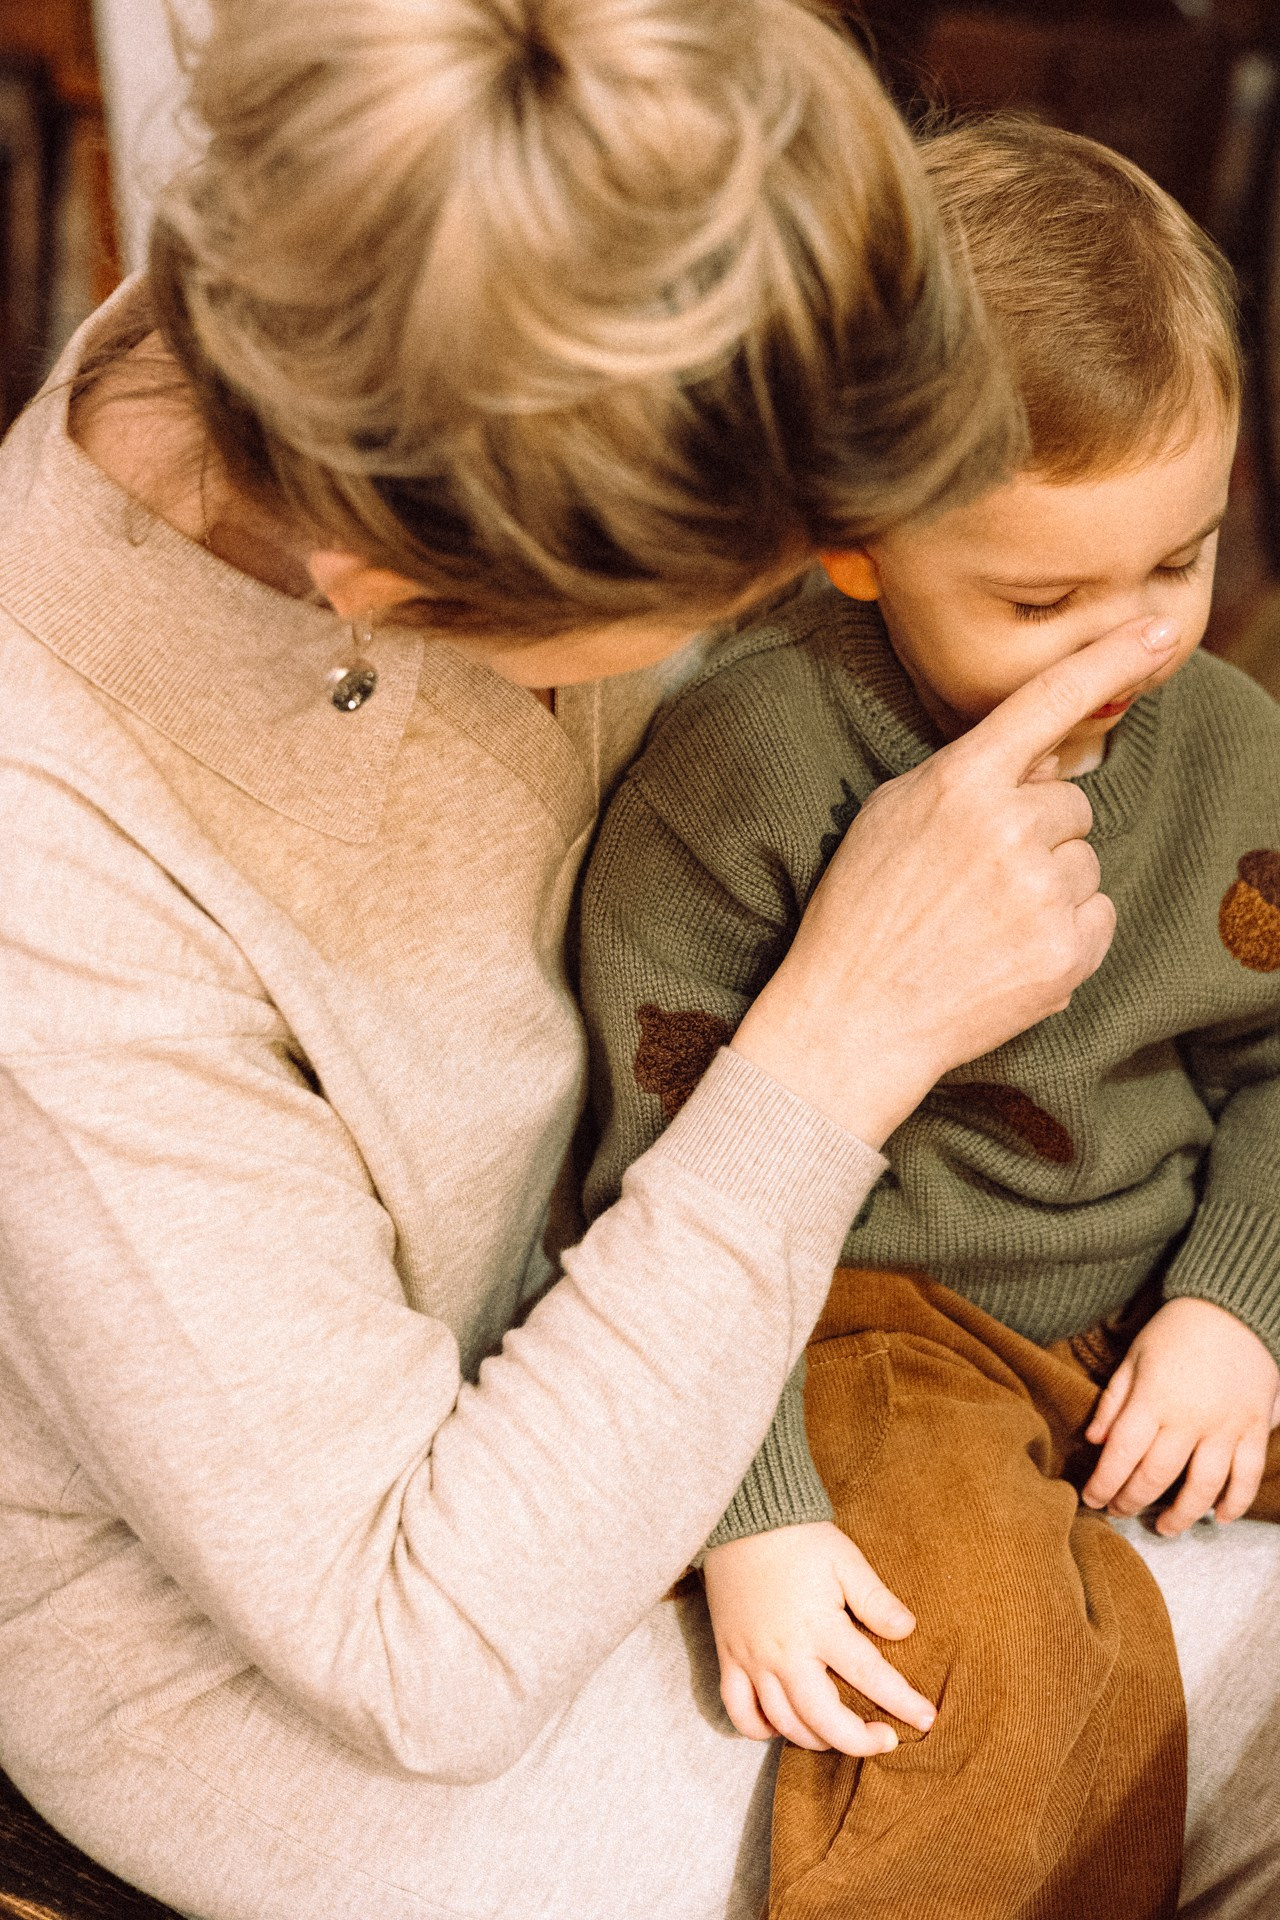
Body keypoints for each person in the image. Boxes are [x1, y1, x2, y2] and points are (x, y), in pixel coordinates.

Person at [0, 1, 1257, 1912]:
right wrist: (840, 1040)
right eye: (769, 574)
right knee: (1072, 1768)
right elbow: (421, 1652)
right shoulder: (56, 870)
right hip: (392, 1643)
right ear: (400, 597)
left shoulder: (502, 212)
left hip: (764, 1335)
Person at [580, 118, 1280, 1918]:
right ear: (856, 547)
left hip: (1163, 1283)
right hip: (881, 1328)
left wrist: (1238, 1299)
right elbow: (658, 1189)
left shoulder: (1227, 742)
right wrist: (748, 1513)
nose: (1131, 648)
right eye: (1042, 601)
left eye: (1181, 565)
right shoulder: (744, 769)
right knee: (968, 1706)